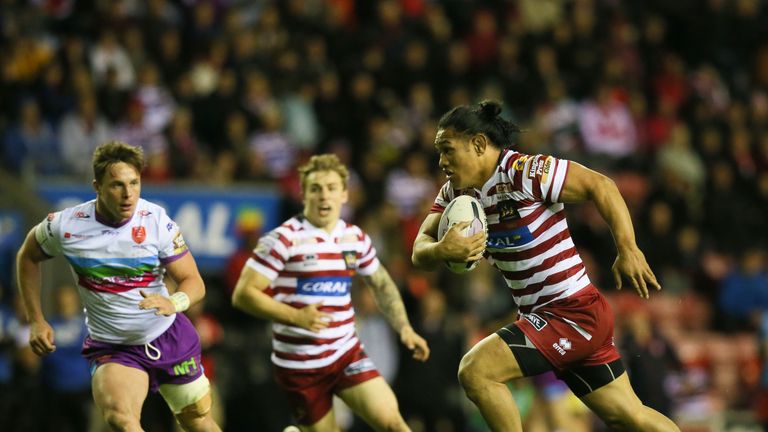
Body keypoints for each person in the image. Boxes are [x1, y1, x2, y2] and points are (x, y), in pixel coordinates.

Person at [411, 100, 680, 431]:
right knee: (629, 415)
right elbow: (418, 250)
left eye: (448, 150)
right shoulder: (456, 192)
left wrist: (627, 248)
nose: (442, 161)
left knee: (475, 371)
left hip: (570, 311)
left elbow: (602, 186)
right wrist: (442, 249)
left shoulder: (524, 172)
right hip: (556, 317)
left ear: (479, 144)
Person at [16, 140, 221, 432]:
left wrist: (173, 302)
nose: (128, 195)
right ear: (97, 186)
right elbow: (27, 256)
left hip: (167, 337)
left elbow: (194, 282)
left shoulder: (157, 222)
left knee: (197, 423)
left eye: (134, 183)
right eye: (117, 185)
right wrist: (35, 319)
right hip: (115, 347)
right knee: (120, 418)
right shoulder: (67, 225)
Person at [232, 153, 430, 431]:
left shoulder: (355, 238)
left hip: (346, 353)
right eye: (315, 188)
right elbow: (243, 294)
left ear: (345, 194)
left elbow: (382, 283)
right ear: (304, 194)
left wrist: (404, 327)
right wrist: (295, 316)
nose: (324, 195)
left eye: (331, 188)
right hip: (300, 366)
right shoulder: (283, 238)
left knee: (393, 422)